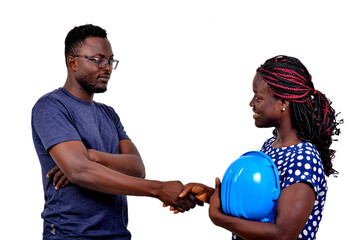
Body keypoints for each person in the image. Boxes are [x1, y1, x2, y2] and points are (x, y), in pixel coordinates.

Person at [32, 24, 198, 240]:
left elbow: (137, 168)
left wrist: (92, 156)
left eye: (110, 61)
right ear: (72, 62)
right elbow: (80, 171)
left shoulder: (108, 114)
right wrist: (157, 189)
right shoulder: (51, 106)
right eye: (98, 59)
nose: (107, 67)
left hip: (117, 234)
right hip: (70, 234)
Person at [174, 55, 342, 240]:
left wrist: (219, 218)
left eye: (258, 97)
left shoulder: (304, 159)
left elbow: (283, 234)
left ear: (284, 102)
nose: (251, 104)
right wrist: (212, 196)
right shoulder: (271, 146)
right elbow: (261, 209)